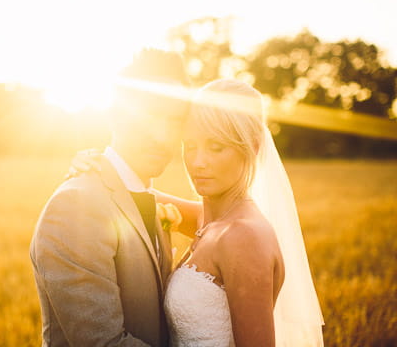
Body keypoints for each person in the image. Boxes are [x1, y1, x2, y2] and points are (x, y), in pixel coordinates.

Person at [71, 78, 325, 346]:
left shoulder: (244, 235)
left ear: (253, 148)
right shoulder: (211, 221)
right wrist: (96, 166)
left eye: (216, 148)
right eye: (190, 146)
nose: (198, 162)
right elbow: (130, 192)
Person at [29, 48, 191, 346]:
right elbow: (105, 343)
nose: (163, 135)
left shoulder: (145, 198)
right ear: (115, 115)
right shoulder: (75, 207)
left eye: (175, 120)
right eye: (150, 116)